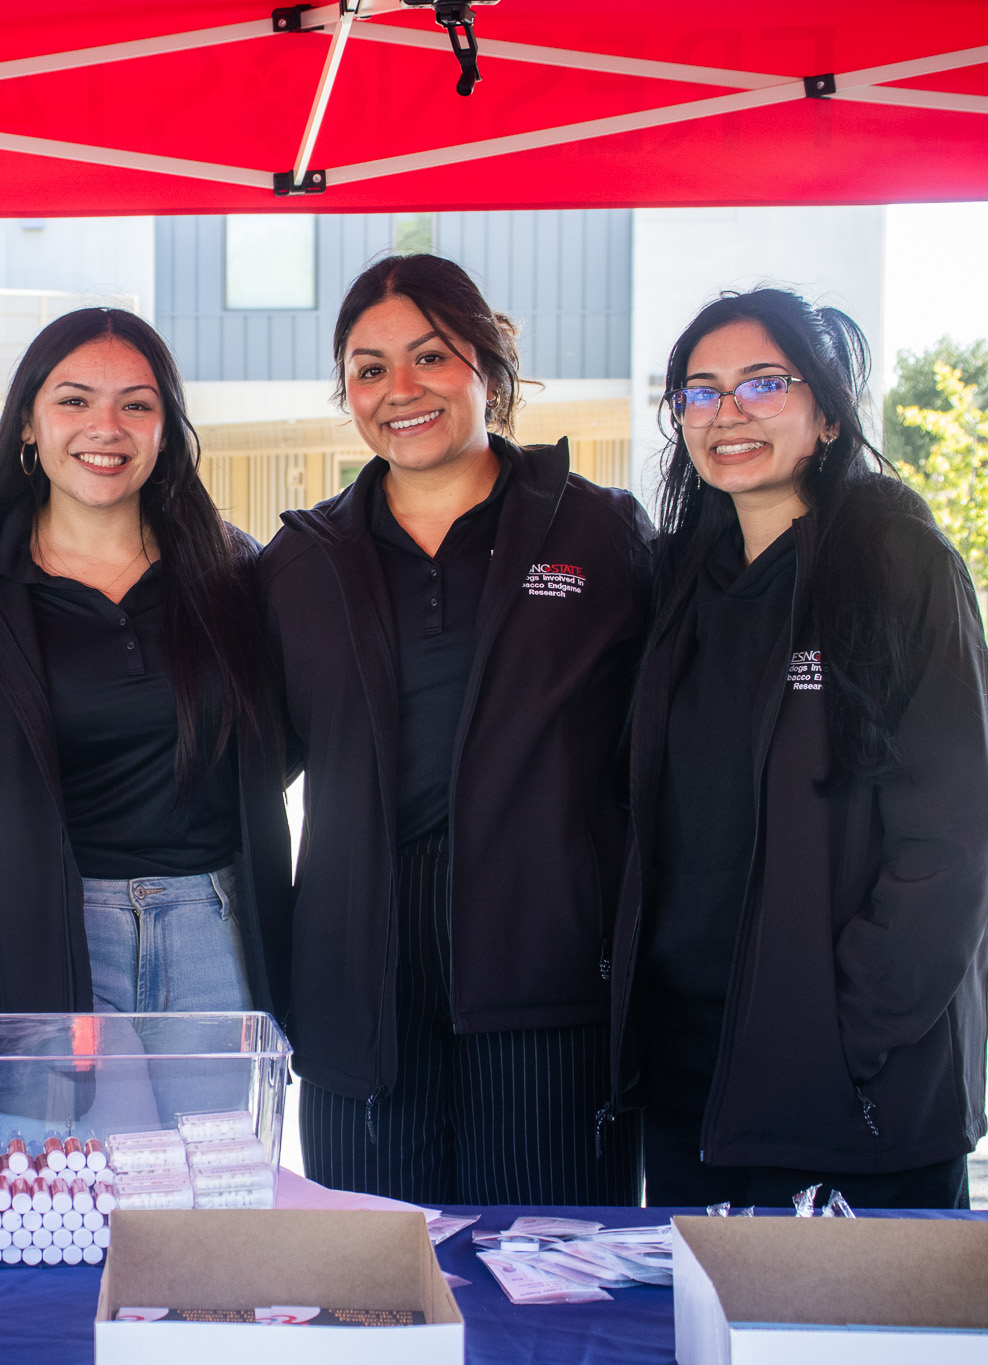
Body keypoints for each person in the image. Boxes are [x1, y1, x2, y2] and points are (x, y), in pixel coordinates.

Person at [259, 254, 654, 1206]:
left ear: (487, 363)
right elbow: (247, 758)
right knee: (379, 1289)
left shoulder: (599, 535)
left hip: (547, 971)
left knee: (552, 1282)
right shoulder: (298, 563)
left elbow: (668, 749)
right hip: (365, 984)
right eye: (368, 368)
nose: (401, 390)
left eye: (430, 356)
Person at [608, 290, 988, 1209]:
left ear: (827, 413)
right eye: (700, 393)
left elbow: (957, 841)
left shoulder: (897, 563)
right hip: (689, 1080)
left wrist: (848, 1030)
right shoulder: (682, 581)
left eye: (762, 382)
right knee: (696, 1348)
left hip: (845, 1083)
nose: (728, 412)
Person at [0, 307, 288, 1020]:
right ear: (29, 424)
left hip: (211, 924)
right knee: (55, 1136)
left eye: (137, 404)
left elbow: (286, 737)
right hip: (39, 929)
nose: (107, 427)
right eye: (73, 401)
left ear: (167, 428)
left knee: (215, 1137)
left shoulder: (233, 570)